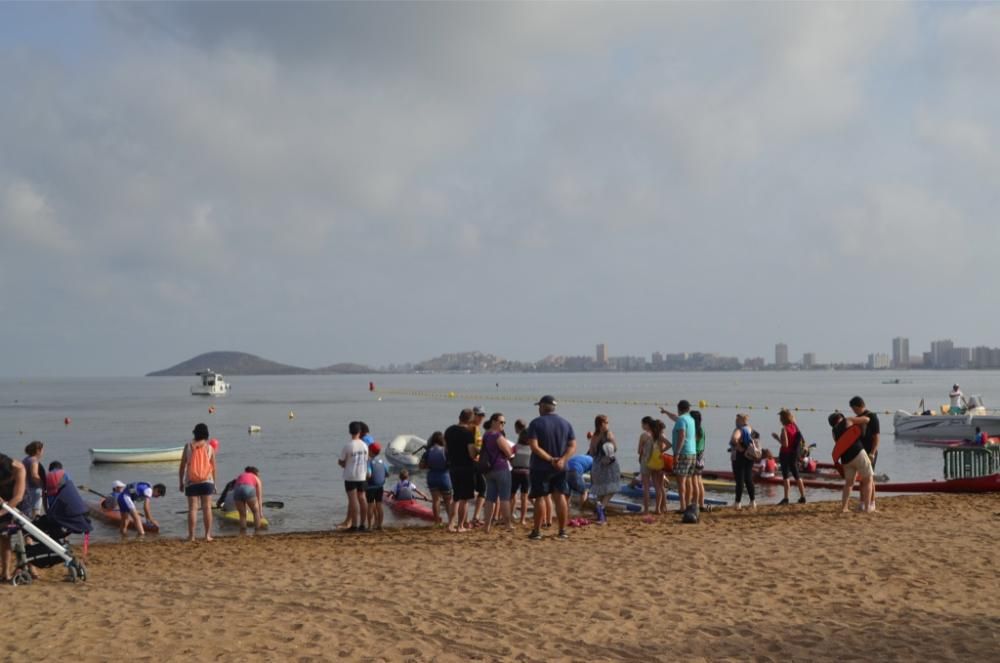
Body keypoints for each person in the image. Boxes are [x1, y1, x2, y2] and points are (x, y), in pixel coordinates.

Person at [525, 395, 576, 541]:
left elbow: (534, 446)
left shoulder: (536, 423)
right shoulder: (565, 423)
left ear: (542, 407)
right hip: (560, 466)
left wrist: (550, 459)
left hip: (541, 466)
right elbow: (572, 445)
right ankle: (562, 530)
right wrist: (563, 459)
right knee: (560, 496)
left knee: (540, 497)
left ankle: (537, 531)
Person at [828, 412, 874, 513]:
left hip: (845, 459)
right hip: (858, 453)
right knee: (868, 479)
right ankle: (867, 508)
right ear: (841, 417)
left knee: (849, 483)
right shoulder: (847, 420)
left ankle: (844, 508)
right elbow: (867, 419)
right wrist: (857, 419)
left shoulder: (834, 432)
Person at [178, 422, 217, 542]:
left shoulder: (188, 446)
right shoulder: (210, 448)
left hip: (191, 481)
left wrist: (181, 482)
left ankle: (192, 536)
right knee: (207, 508)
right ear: (206, 434)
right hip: (207, 481)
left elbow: (182, 466)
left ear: (195, 433)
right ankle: (207, 535)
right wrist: (214, 484)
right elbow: (213, 468)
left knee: (193, 509)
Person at [481, 412, 515, 533]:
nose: (503, 425)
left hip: (489, 470)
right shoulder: (497, 435)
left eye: (504, 423)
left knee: (490, 498)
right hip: (501, 468)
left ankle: (487, 526)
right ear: (493, 422)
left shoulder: (486, 435)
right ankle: (508, 524)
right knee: (505, 498)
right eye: (501, 422)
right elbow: (508, 452)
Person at [661, 400, 697, 512]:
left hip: (683, 453)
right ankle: (688, 504)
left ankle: (683, 507)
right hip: (692, 453)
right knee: (689, 481)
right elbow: (674, 417)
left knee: (681, 481)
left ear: (679, 408)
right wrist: (666, 412)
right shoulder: (690, 419)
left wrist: (676, 453)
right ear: (688, 409)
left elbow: (682, 435)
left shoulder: (682, 420)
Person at [445, 409, 477, 532]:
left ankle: (450, 525)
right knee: (465, 499)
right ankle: (460, 526)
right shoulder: (468, 433)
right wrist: (477, 452)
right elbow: (471, 453)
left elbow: (446, 449)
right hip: (466, 467)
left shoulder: (449, 431)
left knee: (456, 497)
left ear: (459, 417)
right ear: (471, 420)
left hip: (453, 466)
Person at [588, 415, 621, 525]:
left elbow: (592, 453)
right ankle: (602, 508)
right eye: (606, 422)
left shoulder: (594, 436)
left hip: (597, 465)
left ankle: (599, 513)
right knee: (612, 488)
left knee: (600, 490)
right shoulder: (609, 434)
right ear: (602, 424)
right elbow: (615, 448)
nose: (608, 424)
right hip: (609, 465)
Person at [849, 396, 880, 511]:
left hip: (870, 451)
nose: (854, 411)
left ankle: (872, 503)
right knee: (862, 479)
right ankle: (862, 502)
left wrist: (872, 452)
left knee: (869, 478)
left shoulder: (872, 416)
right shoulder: (857, 418)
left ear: (858, 406)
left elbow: (876, 437)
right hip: (860, 452)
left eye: (854, 409)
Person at [0, 453, 27, 582]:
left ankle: (28, 567)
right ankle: (5, 573)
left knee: (22, 535)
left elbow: (18, 497)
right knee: (4, 537)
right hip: (3, 501)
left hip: (17, 503)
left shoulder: (19, 469)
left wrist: (2, 512)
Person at [339, 421, 369, 532]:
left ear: (349, 432)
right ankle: (363, 524)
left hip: (350, 476)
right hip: (362, 475)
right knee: (362, 498)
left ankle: (354, 525)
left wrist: (344, 463)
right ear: (360, 431)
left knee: (353, 500)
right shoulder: (365, 445)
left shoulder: (348, 446)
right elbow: (366, 460)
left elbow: (341, 462)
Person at [772, 409, 807, 505]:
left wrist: (777, 438)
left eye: (780, 417)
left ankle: (786, 498)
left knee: (786, 476)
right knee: (797, 475)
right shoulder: (795, 427)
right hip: (794, 454)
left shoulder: (784, 428)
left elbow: (785, 444)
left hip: (785, 454)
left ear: (782, 418)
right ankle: (803, 496)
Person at [420, 432, 453, 527]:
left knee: (436, 500)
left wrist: (429, 465)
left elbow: (421, 466)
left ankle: (437, 521)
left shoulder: (428, 451)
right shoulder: (445, 451)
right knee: (448, 501)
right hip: (444, 476)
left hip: (432, 476)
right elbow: (450, 464)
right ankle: (450, 521)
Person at [729, 414, 756, 510]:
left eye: (737, 419)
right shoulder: (750, 428)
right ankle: (753, 501)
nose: (735, 420)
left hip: (740, 457)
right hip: (750, 456)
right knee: (748, 478)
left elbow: (734, 439)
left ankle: (738, 502)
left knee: (739, 480)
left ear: (741, 420)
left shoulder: (739, 429)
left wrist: (739, 448)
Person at [229, 467, 264, 535]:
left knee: (242, 515)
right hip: (248, 489)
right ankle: (257, 531)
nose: (259, 476)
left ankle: (243, 532)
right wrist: (260, 512)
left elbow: (233, 487)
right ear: (255, 473)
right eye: (259, 475)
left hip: (237, 490)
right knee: (255, 512)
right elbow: (259, 497)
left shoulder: (241, 475)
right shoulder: (256, 478)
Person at [510, 420, 532, 525]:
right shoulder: (532, 448)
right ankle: (522, 519)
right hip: (527, 473)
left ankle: (511, 514)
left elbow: (509, 456)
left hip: (515, 472)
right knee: (524, 497)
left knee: (512, 495)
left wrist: (512, 462)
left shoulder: (515, 447)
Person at [470, 405, 488, 526]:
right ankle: (473, 517)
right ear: (474, 415)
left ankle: (475, 517)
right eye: (480, 415)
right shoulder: (471, 428)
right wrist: (482, 451)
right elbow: (470, 446)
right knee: (481, 489)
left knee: (482, 489)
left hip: (476, 462)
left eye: (483, 415)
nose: (482, 418)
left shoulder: (476, 428)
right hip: (473, 462)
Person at [647, 419, 669, 514]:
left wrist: (662, 451)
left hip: (656, 462)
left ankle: (658, 509)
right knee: (661, 487)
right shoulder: (659, 436)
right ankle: (664, 507)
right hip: (660, 461)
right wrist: (662, 451)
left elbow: (669, 444)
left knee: (658, 487)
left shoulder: (658, 436)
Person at [365, 442, 388, 531]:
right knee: (379, 506)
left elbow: (369, 474)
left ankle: (370, 526)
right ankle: (380, 525)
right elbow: (387, 474)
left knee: (370, 505)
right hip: (380, 487)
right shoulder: (382, 461)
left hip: (370, 487)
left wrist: (364, 479)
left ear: (370, 451)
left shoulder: (369, 462)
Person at [636, 417, 655, 514]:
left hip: (646, 462)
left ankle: (646, 510)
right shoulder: (657, 434)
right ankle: (661, 508)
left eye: (642, 424)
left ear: (646, 424)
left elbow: (639, 451)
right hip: (656, 462)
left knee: (646, 487)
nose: (642, 426)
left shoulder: (644, 435)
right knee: (659, 486)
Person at [22, 441, 45, 518]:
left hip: (25, 488)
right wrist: (43, 485)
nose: (43, 452)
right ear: (38, 450)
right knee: (36, 511)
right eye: (42, 450)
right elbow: (34, 475)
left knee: (26, 511)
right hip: (34, 489)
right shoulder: (34, 460)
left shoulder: (26, 459)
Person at [691, 411, 707, 511]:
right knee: (699, 481)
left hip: (695, 455)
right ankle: (701, 504)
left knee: (695, 481)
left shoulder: (696, 430)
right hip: (701, 455)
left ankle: (695, 504)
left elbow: (693, 441)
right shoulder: (702, 429)